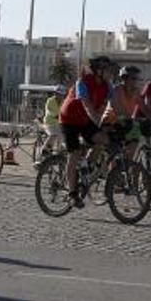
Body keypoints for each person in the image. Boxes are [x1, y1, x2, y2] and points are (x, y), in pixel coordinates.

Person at [58, 55, 115, 204]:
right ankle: (72, 193)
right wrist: (100, 122)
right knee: (74, 153)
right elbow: (88, 106)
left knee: (104, 139)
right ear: (99, 71)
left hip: (85, 120)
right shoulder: (82, 82)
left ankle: (88, 167)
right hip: (69, 119)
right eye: (108, 70)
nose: (111, 73)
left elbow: (109, 106)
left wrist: (114, 122)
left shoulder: (108, 86)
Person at [103, 65, 151, 151]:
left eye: (137, 78)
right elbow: (118, 111)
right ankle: (116, 163)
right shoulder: (116, 90)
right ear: (124, 78)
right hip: (111, 122)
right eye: (133, 78)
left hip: (126, 122)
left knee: (135, 139)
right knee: (117, 150)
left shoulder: (136, 92)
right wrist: (130, 121)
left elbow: (144, 108)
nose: (135, 81)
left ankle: (128, 163)